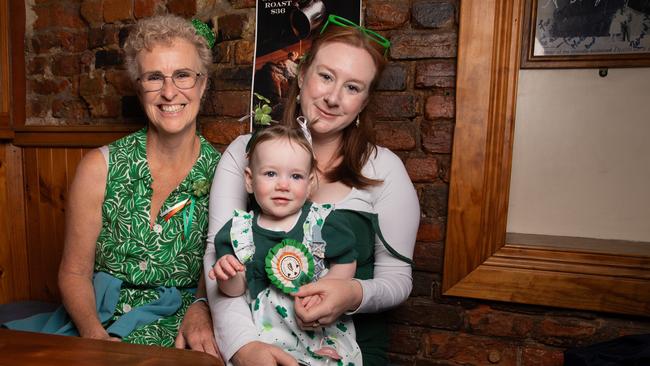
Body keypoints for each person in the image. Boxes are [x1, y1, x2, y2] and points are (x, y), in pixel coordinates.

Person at [204, 14, 420, 366]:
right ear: (302, 75)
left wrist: (352, 292)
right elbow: (220, 259)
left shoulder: (384, 169)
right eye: (326, 76)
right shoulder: (245, 151)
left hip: (350, 352)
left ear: (364, 102)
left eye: (353, 87)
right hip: (258, 343)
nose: (334, 98)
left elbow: (397, 280)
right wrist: (244, 347)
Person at [5, 14, 221, 358]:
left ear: (203, 83)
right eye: (154, 77)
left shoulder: (223, 172)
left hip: (179, 322)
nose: (169, 92)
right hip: (99, 317)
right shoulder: (98, 167)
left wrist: (201, 308)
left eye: (183, 75)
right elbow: (74, 272)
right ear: (139, 86)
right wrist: (94, 335)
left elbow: (220, 264)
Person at [210, 124, 367, 365]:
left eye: (295, 176)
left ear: (310, 182)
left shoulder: (321, 223)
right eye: (271, 174)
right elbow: (234, 291)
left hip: (319, 331)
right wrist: (227, 274)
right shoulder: (239, 231)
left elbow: (346, 259)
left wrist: (326, 288)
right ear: (250, 180)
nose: (283, 185)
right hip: (265, 337)